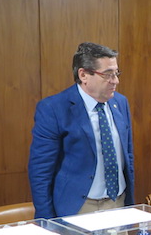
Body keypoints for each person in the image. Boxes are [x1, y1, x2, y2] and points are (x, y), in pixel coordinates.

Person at [29, 42, 135, 218]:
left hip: (117, 203)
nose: (115, 80)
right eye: (108, 74)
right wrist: (47, 221)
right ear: (84, 74)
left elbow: (127, 156)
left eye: (116, 73)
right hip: (78, 207)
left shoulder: (120, 103)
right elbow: (40, 171)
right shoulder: (54, 108)